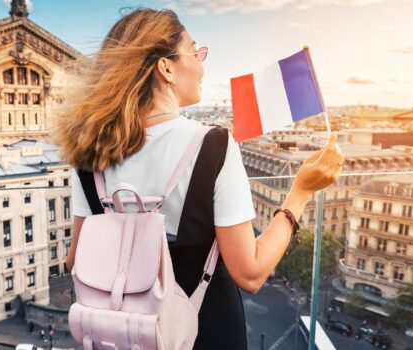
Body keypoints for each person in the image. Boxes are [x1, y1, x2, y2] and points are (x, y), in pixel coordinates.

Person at [55, 7, 344, 349]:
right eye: (196, 51)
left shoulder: (90, 153)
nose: (202, 64)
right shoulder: (213, 145)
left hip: (124, 335)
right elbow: (250, 273)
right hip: (205, 333)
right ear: (166, 67)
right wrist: (301, 191)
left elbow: (75, 261)